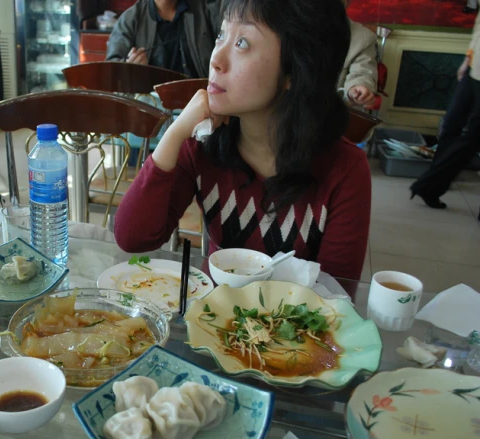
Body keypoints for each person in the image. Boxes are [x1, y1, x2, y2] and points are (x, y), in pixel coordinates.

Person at [114, 0, 372, 281]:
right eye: (220, 36)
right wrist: (175, 133)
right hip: (212, 316)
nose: (216, 60)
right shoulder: (203, 144)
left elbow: (336, 298)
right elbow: (132, 238)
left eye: (242, 43)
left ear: (295, 70)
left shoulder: (345, 169)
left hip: (296, 322)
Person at [409, 12, 480, 210]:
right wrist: (468, 59)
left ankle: (429, 184)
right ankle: (432, 186)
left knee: (473, 137)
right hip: (474, 69)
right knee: (450, 126)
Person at [105, 0, 221, 78]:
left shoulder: (206, 8)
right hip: (152, 104)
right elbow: (111, 70)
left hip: (201, 98)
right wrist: (129, 68)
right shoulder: (131, 19)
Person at [339, 0, 377, 108]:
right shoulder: (290, 28)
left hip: (332, 111)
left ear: (347, 2)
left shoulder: (363, 37)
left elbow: (362, 71)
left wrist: (357, 87)